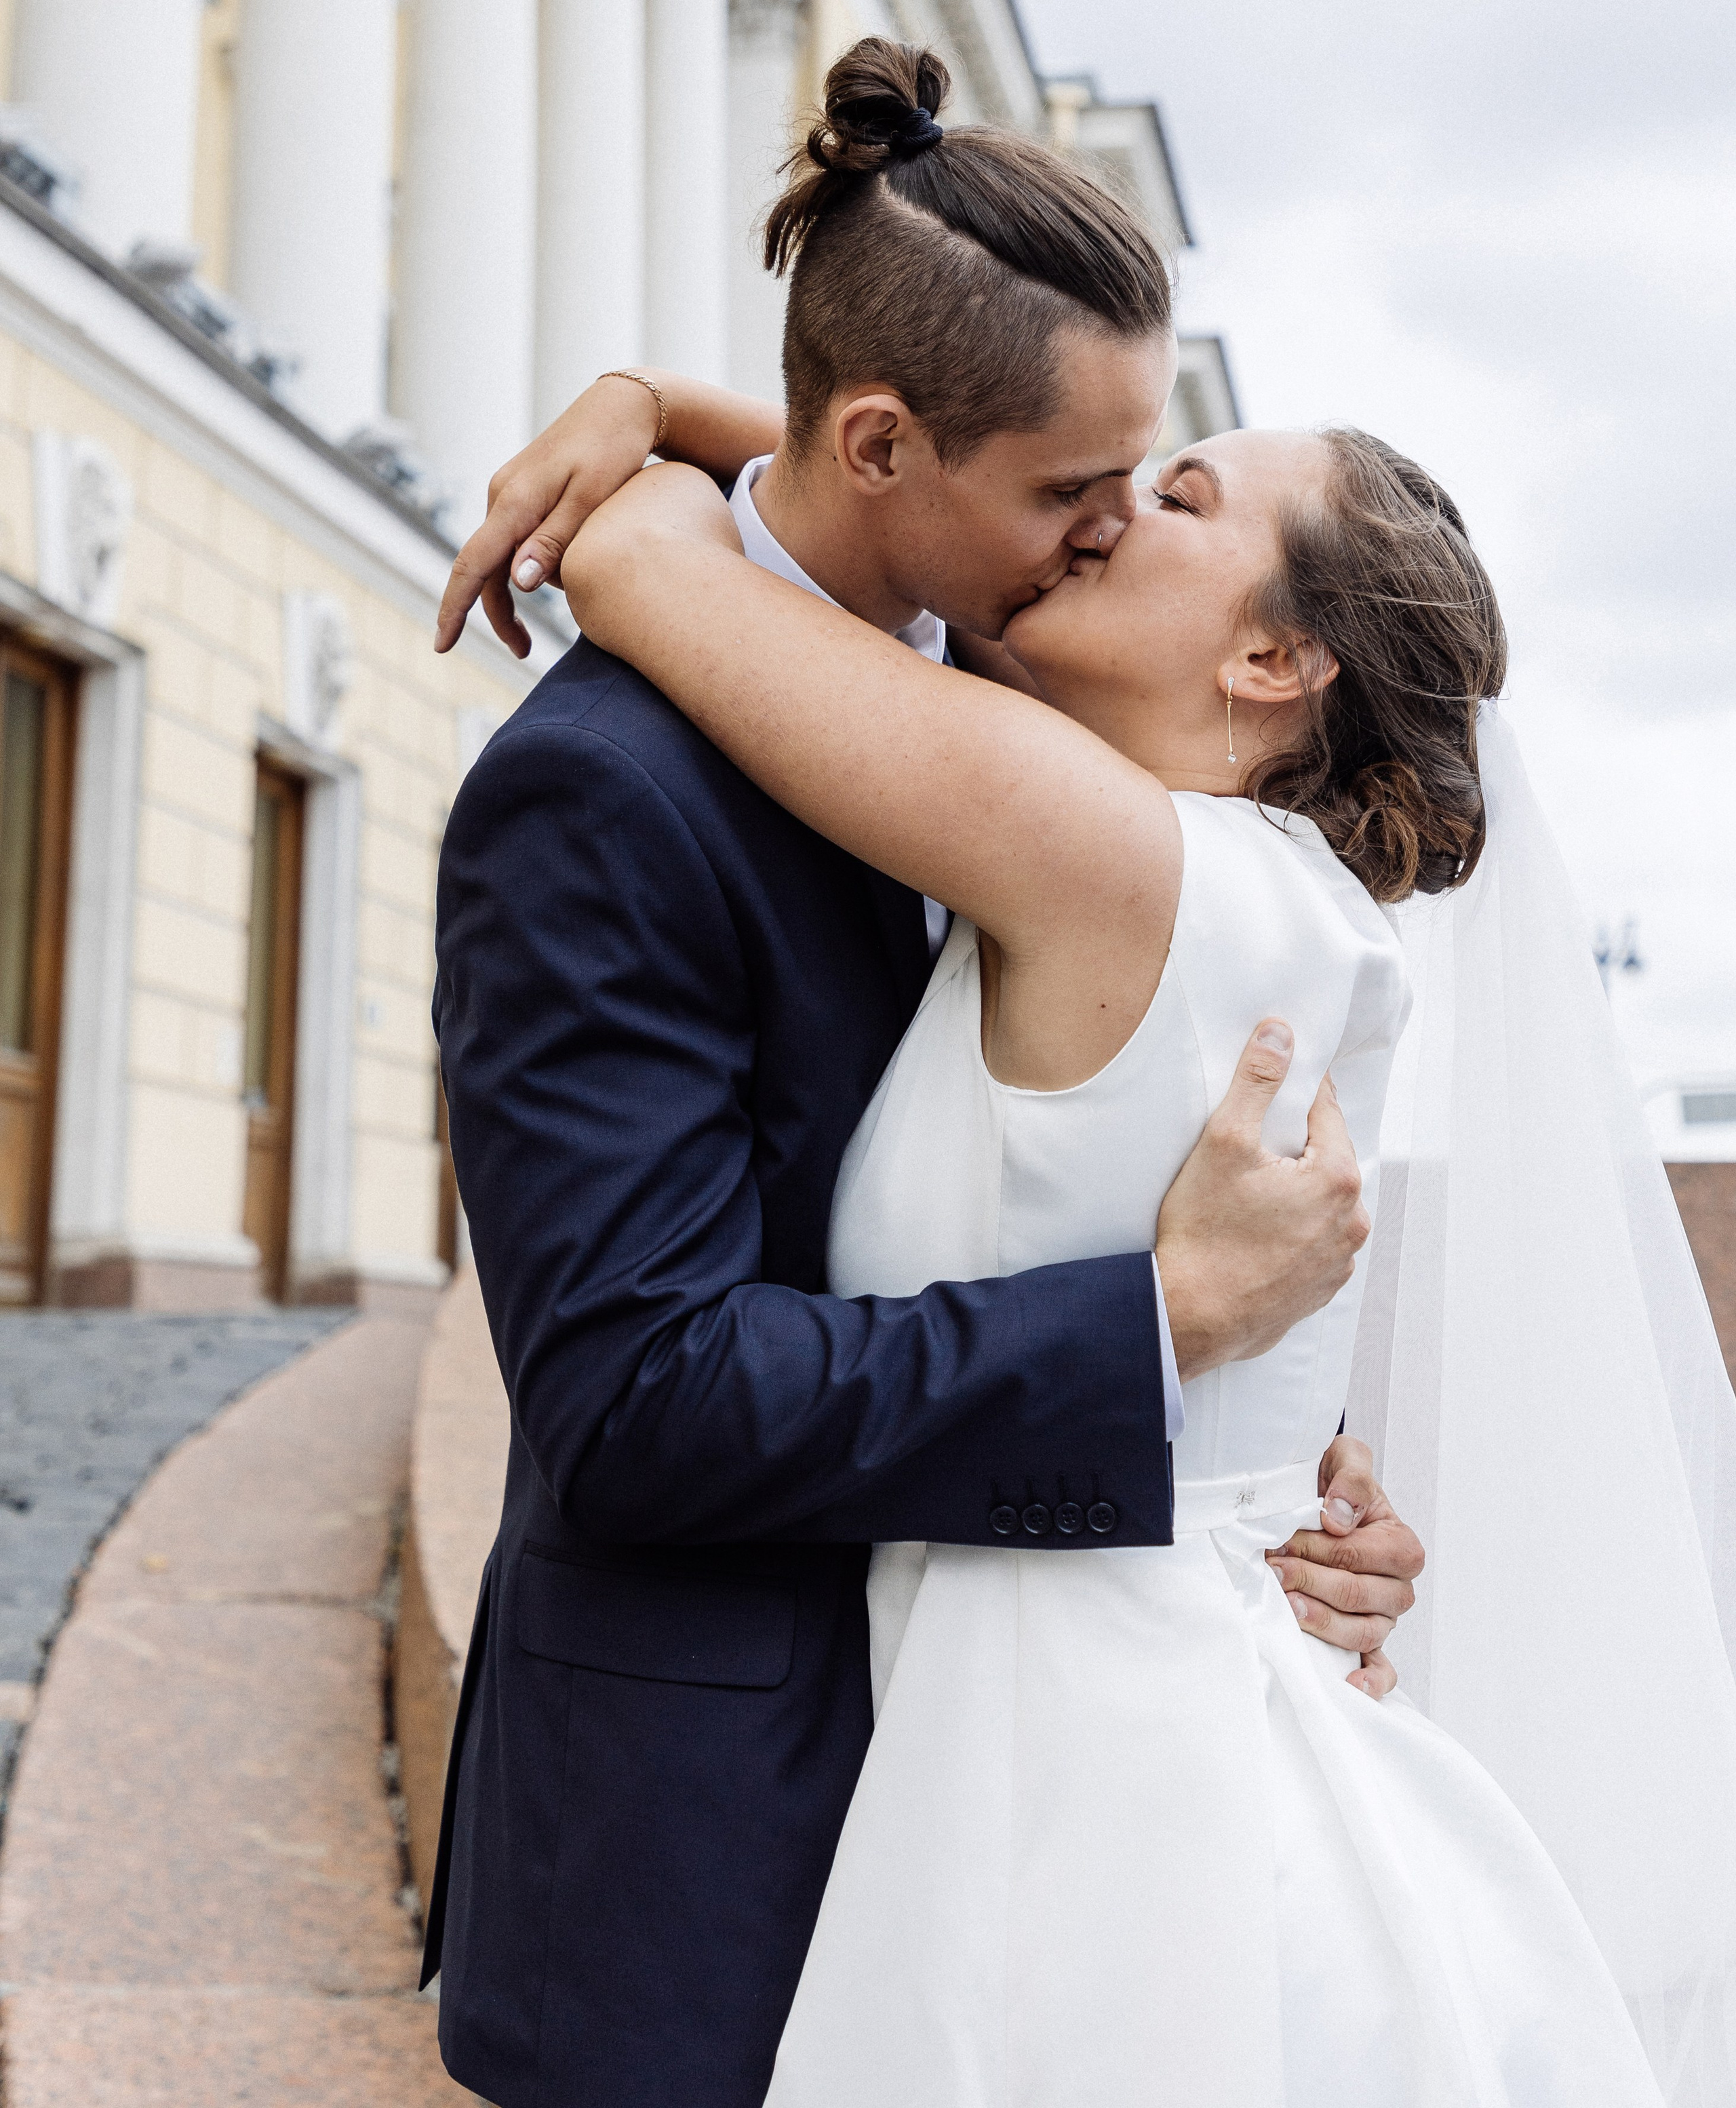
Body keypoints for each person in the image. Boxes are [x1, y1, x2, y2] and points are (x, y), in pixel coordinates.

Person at [424, 39, 1429, 2108]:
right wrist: (1159, 1334)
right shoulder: (601, 796)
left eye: (1142, 492)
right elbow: (627, 1403)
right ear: (888, 443)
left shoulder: (1002, 722)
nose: (1093, 545)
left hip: (1014, 1834)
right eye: (1074, 493)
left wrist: (1253, 1470)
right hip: (703, 1864)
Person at [555, 411, 1686, 2097]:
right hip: (1137, 1709)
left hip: (1089, 1781)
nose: (1095, 514)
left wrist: (639, 410)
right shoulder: (1245, 882)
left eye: (1172, 494)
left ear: (1271, 648)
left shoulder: (1113, 852)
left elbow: (640, 563)